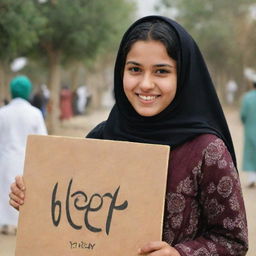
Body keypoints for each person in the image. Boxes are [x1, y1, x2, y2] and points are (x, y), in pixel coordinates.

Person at [9, 16, 248, 255]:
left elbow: (233, 240)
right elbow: (73, 212)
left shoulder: (207, 151)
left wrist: (180, 253)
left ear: (183, 76)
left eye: (161, 71)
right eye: (135, 69)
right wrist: (34, 200)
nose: (145, 84)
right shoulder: (102, 138)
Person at [0, 75, 47, 235]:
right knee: (22, 194)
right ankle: (20, 225)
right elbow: (42, 140)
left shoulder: (2, 113)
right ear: (28, 92)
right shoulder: (35, 113)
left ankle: (5, 224)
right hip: (26, 162)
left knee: (5, 191)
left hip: (5, 160)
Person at [240, 81, 256, 188]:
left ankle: (252, 178)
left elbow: (243, 115)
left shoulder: (247, 97)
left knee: (251, 153)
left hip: (251, 128)